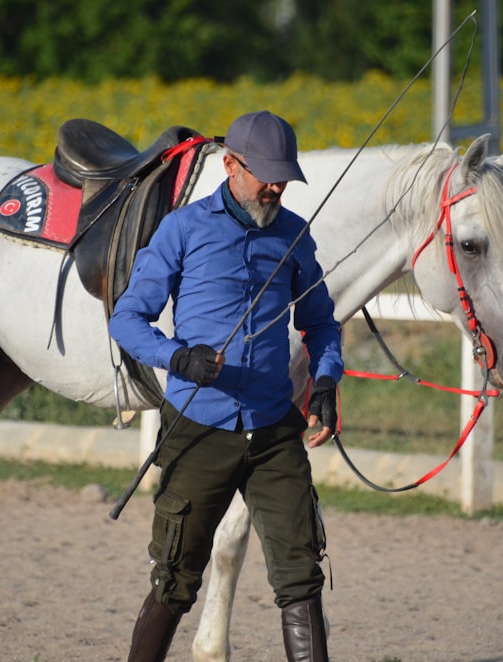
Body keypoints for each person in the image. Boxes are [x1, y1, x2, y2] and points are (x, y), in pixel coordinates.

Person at [109, 110, 343, 662]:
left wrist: (327, 381)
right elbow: (127, 320)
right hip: (198, 428)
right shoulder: (183, 230)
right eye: (265, 173)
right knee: (175, 578)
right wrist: (178, 359)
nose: (277, 186)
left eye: (284, 175)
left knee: (301, 574)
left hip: (273, 430)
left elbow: (322, 324)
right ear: (230, 164)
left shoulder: (293, 236)